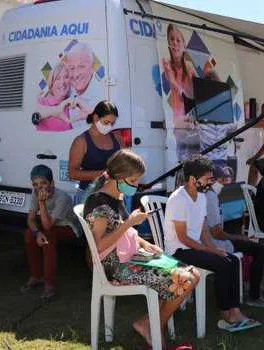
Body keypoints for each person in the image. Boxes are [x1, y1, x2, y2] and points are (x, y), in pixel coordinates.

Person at [83, 149, 199, 347]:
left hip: (129, 257)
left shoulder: (116, 196)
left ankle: (150, 324)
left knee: (192, 274)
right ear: (119, 177)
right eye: (134, 181)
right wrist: (130, 222)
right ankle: (152, 327)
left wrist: (148, 245)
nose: (136, 186)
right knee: (183, 279)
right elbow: (98, 245)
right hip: (114, 267)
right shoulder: (99, 203)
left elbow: (126, 235)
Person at [164, 156, 261, 332]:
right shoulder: (178, 198)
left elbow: (203, 231)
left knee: (231, 260)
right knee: (223, 264)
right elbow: (183, 237)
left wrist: (215, 248)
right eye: (208, 179)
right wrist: (210, 250)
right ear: (193, 179)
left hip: (195, 246)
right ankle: (226, 313)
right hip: (179, 250)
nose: (211, 182)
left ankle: (235, 311)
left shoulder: (200, 197)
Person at [206, 165, 264, 308]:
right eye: (223, 180)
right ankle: (254, 296)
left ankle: (251, 287)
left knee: (252, 246)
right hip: (214, 244)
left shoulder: (203, 195)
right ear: (214, 180)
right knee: (259, 250)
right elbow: (217, 233)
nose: (225, 183)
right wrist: (240, 238)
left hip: (208, 241)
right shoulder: (210, 197)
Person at [21, 165, 82, 299]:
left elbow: (48, 226)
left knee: (48, 237)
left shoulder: (62, 197)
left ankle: (49, 284)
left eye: (43, 183)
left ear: (52, 183)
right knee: (28, 234)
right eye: (35, 184)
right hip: (47, 225)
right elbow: (30, 219)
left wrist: (41, 203)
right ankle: (35, 276)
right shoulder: (35, 192)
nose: (40, 187)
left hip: (68, 227)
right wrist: (37, 233)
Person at [68, 100, 122, 203]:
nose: (109, 126)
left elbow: (124, 162)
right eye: (106, 122)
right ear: (96, 117)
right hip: (88, 195)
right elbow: (72, 173)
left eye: (112, 123)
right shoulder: (81, 141)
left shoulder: (117, 138)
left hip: (114, 194)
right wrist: (102, 174)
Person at [161, 23, 200, 162]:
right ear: (168, 43)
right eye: (172, 39)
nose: (175, 43)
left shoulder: (189, 68)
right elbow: (174, 85)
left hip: (192, 123)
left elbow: (198, 92)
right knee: (184, 162)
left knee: (194, 162)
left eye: (178, 40)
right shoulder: (167, 64)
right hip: (179, 124)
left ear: (183, 44)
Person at [64, 42, 99, 124]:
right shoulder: (65, 92)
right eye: (72, 68)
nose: (76, 74)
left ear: (92, 67)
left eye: (81, 66)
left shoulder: (104, 96)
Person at [35, 61, 74, 132]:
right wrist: (54, 111)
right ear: (51, 83)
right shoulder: (41, 101)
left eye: (66, 77)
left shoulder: (72, 105)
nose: (62, 82)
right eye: (58, 78)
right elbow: (34, 114)